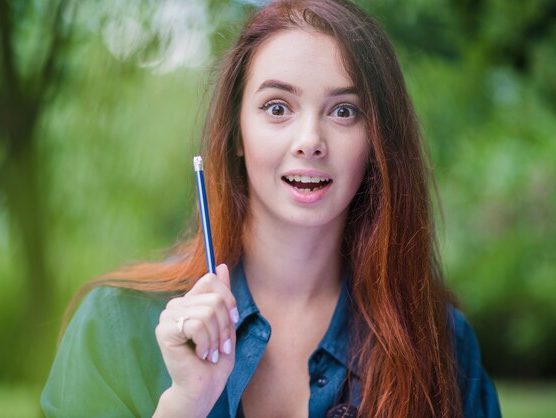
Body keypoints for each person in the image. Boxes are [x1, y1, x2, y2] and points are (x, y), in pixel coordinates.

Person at [41, 1, 501, 417]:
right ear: (237, 134)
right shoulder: (115, 327)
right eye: (277, 107)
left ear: (378, 143)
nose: (310, 142)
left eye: (344, 112)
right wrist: (186, 405)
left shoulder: (440, 342)